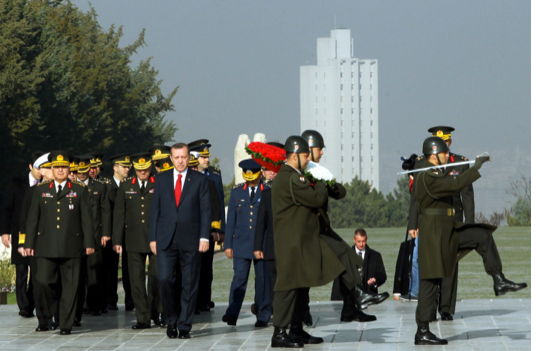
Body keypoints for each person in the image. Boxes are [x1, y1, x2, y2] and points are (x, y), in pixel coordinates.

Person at [411, 137, 526, 345]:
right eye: (445, 152)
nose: (448, 155)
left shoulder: (433, 173)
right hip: (434, 235)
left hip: (447, 231)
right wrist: (476, 167)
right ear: (434, 153)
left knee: (482, 234)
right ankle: (422, 331)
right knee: (430, 282)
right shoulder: (428, 176)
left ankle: (498, 279)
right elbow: (454, 184)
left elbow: (452, 183)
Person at [302, 130, 387, 324]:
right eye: (319, 149)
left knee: (349, 258)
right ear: (308, 147)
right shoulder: (296, 172)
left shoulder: (318, 170)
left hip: (322, 228)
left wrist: (326, 185)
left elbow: (340, 192)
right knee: (302, 277)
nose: (322, 152)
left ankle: (351, 306)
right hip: (308, 231)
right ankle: (301, 314)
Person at [25, 151, 96, 335]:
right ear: (52, 169)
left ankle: (66, 323)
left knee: (71, 287)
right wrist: (28, 244)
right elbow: (33, 219)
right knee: (43, 281)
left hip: (72, 245)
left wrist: (89, 243)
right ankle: (52, 310)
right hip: (46, 245)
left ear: (68, 169)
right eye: (56, 167)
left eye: (63, 167)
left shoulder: (79, 190)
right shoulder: (41, 190)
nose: (60, 171)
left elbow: (87, 219)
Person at [149, 143, 211, 339]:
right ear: (171, 159)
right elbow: (155, 210)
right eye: (176, 157)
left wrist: (204, 236)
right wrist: (153, 237)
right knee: (165, 279)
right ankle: (171, 320)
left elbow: (205, 210)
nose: (180, 161)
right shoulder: (161, 179)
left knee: (190, 283)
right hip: (166, 238)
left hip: (191, 238)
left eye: (183, 157)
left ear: (188, 157)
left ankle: (184, 325)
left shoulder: (200, 180)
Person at [113, 153, 163, 329]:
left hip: (156, 238)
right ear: (134, 168)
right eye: (140, 169)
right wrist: (117, 240)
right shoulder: (126, 186)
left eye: (146, 169)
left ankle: (157, 311)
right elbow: (119, 214)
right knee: (136, 280)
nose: (143, 172)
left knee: (157, 277)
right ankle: (142, 317)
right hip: (132, 239)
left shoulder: (159, 184)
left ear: (150, 168)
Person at [222, 159, 272, 327]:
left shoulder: (267, 191)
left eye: (253, 174)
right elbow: (231, 221)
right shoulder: (237, 192)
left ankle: (263, 315)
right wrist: (228, 245)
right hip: (241, 244)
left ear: (259, 173)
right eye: (247, 175)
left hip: (262, 245)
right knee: (239, 279)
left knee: (262, 281)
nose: (250, 178)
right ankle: (232, 313)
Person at [0, 151, 43, 319]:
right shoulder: (17, 183)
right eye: (38, 168)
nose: (41, 172)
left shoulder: (45, 185)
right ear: (31, 166)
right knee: (21, 271)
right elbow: (7, 209)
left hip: (39, 235)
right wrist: (4, 232)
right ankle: (23, 306)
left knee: (37, 272)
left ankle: (31, 302)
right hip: (20, 234)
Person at [188, 151, 222, 313]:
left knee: (206, 269)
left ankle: (203, 300)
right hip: (188, 233)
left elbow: (215, 207)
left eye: (195, 167)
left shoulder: (208, 183)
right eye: (191, 167)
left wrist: (215, 229)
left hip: (205, 232)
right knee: (190, 269)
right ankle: (191, 302)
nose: (193, 170)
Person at [107, 153, 134, 311]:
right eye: (124, 167)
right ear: (115, 168)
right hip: (113, 232)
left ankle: (130, 299)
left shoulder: (131, 185)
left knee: (129, 267)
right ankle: (111, 299)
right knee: (111, 267)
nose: (127, 169)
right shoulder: (108, 186)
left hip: (129, 232)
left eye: (128, 167)